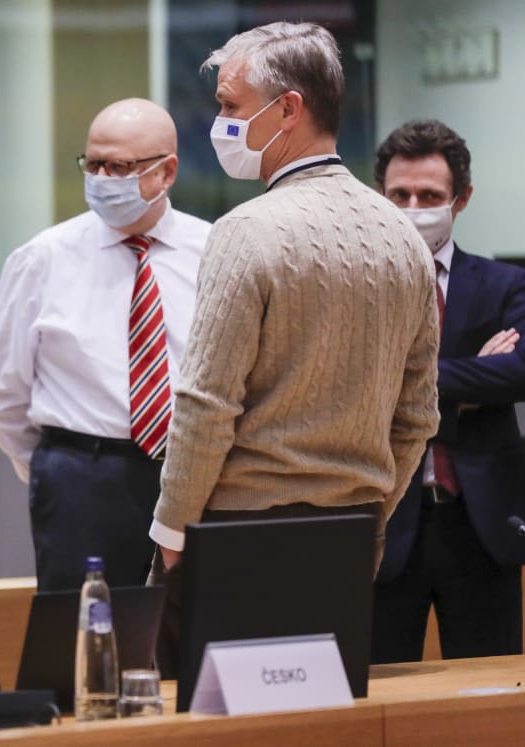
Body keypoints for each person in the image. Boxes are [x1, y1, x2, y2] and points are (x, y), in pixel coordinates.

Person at [147, 22, 440, 675]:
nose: (219, 122)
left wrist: (171, 532)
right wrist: (365, 511)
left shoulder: (246, 232)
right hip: (349, 538)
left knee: (208, 726)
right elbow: (419, 417)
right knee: (316, 724)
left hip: (238, 535)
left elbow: (204, 405)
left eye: (230, 106)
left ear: (288, 110)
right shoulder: (404, 240)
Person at [0, 98, 210, 591]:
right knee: (83, 641)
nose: (102, 178)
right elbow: (3, 394)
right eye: (94, 163)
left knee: (189, 636)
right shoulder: (42, 258)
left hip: (192, 474)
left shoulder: (214, 251)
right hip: (82, 479)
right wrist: (57, 465)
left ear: (166, 171)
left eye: (120, 166)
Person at [371, 119, 525, 663]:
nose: (414, 205)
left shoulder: (505, 284)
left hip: (480, 528)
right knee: (377, 704)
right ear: (378, 196)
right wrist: (469, 382)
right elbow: (353, 387)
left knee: (490, 702)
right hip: (384, 525)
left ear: (461, 199)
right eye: (400, 194)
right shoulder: (354, 289)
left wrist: (402, 389)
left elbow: (517, 374)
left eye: (431, 195)